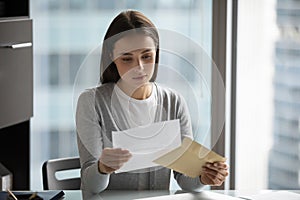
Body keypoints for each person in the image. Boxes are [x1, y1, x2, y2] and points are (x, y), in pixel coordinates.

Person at [76, 9, 228, 196]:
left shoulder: (173, 102)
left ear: (156, 53)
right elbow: (90, 186)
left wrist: (204, 178)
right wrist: (102, 168)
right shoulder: (92, 103)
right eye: (126, 59)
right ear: (111, 57)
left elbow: (185, 180)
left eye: (147, 56)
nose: (138, 68)